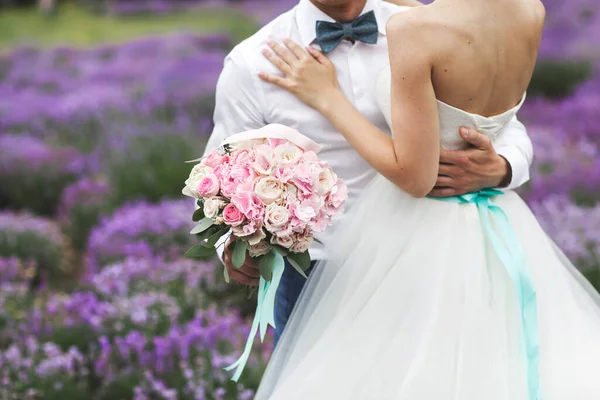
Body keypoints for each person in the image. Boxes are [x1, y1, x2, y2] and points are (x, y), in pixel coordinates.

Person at [252, 0, 600, 398]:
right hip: (497, 225)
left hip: (417, 233)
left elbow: (416, 177)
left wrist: (328, 97)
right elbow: (492, 119)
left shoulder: (413, 29)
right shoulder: (529, 11)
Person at [203, 0, 534, 349]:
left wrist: (502, 166)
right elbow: (223, 171)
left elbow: (506, 126)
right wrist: (232, 243)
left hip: (429, 264)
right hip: (314, 275)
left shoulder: (426, 29)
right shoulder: (252, 62)